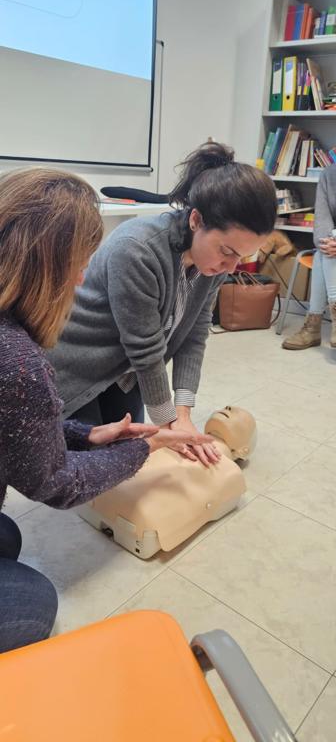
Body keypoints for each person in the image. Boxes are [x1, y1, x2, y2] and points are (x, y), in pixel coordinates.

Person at [0, 168, 213, 653]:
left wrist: (85, 436)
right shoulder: (18, 361)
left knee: (8, 538)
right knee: (35, 603)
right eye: (78, 262)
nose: (81, 277)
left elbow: (13, 425)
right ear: (41, 263)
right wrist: (150, 443)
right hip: (85, 375)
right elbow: (54, 484)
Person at [49, 142, 277, 466]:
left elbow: (195, 334)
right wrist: (166, 422)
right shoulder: (138, 248)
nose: (231, 268)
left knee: (137, 454)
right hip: (76, 367)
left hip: (124, 371)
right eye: (227, 251)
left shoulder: (212, 263)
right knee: (93, 467)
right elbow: (145, 347)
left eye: (242, 257)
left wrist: (180, 416)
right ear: (197, 220)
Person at [282, 106, 336, 350]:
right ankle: (332, 321)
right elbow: (321, 216)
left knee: (330, 245)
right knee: (325, 247)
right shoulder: (330, 173)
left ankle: (314, 325)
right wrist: (327, 241)